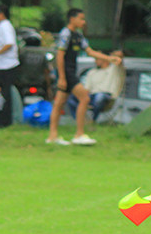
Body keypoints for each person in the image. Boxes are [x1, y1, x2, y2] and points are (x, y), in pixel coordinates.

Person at [47, 8, 114, 146]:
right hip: (67, 73)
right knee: (85, 98)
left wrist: (109, 58)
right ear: (72, 19)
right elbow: (60, 56)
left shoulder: (78, 36)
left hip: (71, 71)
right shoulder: (66, 34)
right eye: (81, 19)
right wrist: (62, 77)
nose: (83, 22)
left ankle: (53, 136)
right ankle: (79, 134)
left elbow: (90, 51)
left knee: (59, 103)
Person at [67, 49, 125, 122]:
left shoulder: (113, 70)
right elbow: (87, 89)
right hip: (92, 96)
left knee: (100, 96)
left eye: (97, 59)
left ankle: (93, 120)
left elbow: (119, 59)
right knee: (71, 98)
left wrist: (115, 55)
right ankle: (81, 121)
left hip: (106, 97)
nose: (95, 61)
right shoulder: (92, 72)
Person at [0, 5, 19, 127]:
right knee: (1, 93)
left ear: (1, 14)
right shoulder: (1, 26)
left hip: (7, 65)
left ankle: (5, 121)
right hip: (1, 65)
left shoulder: (5, 26)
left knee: (5, 94)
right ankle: (0, 119)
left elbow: (9, 43)